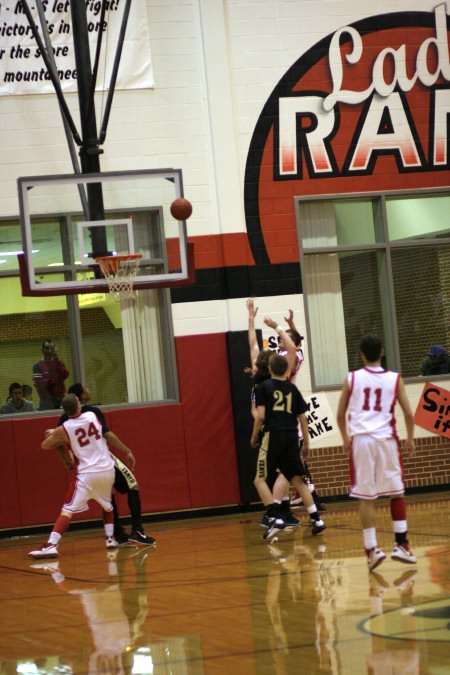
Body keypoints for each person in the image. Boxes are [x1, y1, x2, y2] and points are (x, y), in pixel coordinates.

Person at [336, 334, 417, 571]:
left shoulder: (352, 379)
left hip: (361, 440)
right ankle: (401, 544)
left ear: (361, 354)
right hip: (386, 440)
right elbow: (409, 414)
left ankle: (371, 549)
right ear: (382, 351)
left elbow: (340, 414)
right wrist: (410, 439)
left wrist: (345, 438)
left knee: (366, 496)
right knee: (396, 492)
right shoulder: (395, 379)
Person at [57, 383, 156, 546]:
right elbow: (107, 434)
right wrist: (127, 450)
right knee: (132, 486)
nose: (89, 389)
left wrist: (67, 462)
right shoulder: (92, 413)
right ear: (80, 397)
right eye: (86, 388)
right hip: (103, 459)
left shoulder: (64, 419)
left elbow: (56, 443)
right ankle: (137, 531)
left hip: (84, 466)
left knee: (107, 496)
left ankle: (117, 533)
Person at [29, 394, 118, 559]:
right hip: (106, 469)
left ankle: (51, 545)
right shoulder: (92, 415)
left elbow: (46, 445)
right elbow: (93, 430)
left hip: (86, 473)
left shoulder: (65, 428)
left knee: (67, 510)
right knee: (107, 504)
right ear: (79, 405)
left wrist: (54, 434)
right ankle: (110, 539)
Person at [250, 352, 326, 540]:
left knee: (259, 478)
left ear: (269, 369)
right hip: (292, 437)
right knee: (297, 479)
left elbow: (259, 416)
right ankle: (317, 519)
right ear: (287, 370)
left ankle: (274, 516)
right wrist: (306, 443)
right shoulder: (293, 388)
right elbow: (303, 418)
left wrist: (253, 436)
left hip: (273, 436)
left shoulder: (264, 387)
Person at [280, 309, 326, 512]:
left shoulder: (286, 356)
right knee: (296, 457)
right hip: (288, 402)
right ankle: (308, 496)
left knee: (293, 459)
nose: (280, 339)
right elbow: (297, 343)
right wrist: (291, 325)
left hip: (284, 406)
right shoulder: (296, 352)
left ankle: (307, 498)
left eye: (284, 338)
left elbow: (293, 344)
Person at [32, 339, 69, 410]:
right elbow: (41, 385)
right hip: (47, 401)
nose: (50, 351)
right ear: (42, 350)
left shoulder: (59, 363)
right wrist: (55, 379)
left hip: (61, 399)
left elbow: (64, 375)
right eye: (47, 348)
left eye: (52, 348)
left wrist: (57, 360)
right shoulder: (37, 366)